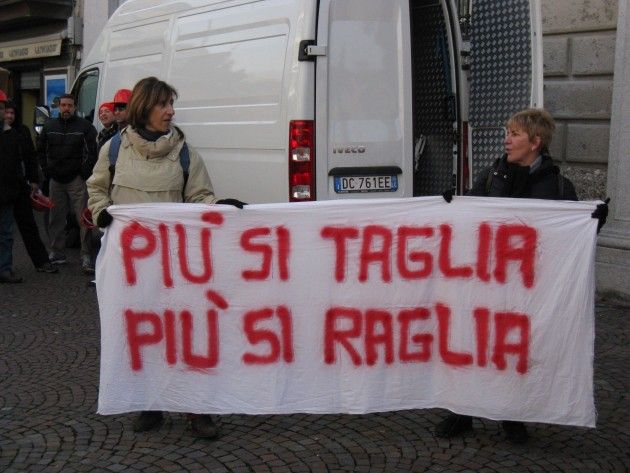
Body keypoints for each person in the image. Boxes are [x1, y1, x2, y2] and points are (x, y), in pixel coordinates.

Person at [87, 76, 244, 438]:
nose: (170, 111)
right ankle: (149, 401)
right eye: (163, 105)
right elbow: (96, 188)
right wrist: (102, 212)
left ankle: (196, 409)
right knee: (144, 334)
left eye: (171, 105)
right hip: (134, 267)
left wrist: (218, 206)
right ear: (145, 108)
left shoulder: (186, 153)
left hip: (176, 266)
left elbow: (199, 196)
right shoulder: (113, 150)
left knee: (187, 335)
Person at [436, 108, 578, 444]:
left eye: (514, 134)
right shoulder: (493, 176)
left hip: (526, 286)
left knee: (514, 350)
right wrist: (450, 203)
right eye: (507, 132)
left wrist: (594, 218)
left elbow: (573, 232)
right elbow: (470, 209)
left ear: (536, 142)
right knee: (473, 343)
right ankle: (462, 412)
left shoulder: (557, 186)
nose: (507, 139)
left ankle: (512, 416)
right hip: (487, 280)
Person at [37, 93, 98, 273]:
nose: (66, 108)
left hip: (76, 180)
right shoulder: (49, 126)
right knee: (56, 218)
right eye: (63, 105)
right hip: (56, 179)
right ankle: (57, 253)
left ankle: (86, 255)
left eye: (69, 105)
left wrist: (83, 174)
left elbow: (92, 153)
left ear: (75, 107)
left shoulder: (85, 127)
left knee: (83, 219)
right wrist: (47, 171)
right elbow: (40, 151)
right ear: (58, 106)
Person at [1, 99, 58, 280]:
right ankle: (5, 267)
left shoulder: (22, 131)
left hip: (21, 186)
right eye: (6, 112)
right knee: (6, 231)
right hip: (6, 188)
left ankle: (41, 261)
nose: (9, 115)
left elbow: (30, 157)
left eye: (12, 113)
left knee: (29, 226)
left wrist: (34, 180)